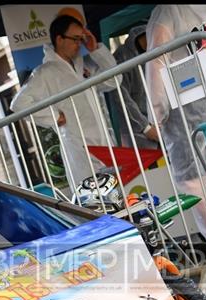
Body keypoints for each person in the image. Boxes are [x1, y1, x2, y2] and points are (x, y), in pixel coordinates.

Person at [144, 5, 206, 251]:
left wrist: (156, 110)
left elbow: (157, 58)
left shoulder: (168, 11)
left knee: (193, 174)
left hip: (188, 95)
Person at [10, 13, 122, 185]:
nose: (79, 44)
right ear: (59, 39)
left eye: (81, 39)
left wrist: (96, 50)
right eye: (75, 39)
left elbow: (114, 80)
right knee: (93, 202)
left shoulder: (82, 66)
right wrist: (53, 116)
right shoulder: (45, 72)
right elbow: (19, 105)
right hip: (80, 149)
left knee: (119, 197)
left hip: (106, 145)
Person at [112, 24, 159, 149]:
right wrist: (145, 127)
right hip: (139, 136)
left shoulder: (157, 52)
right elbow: (121, 97)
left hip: (161, 126)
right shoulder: (122, 57)